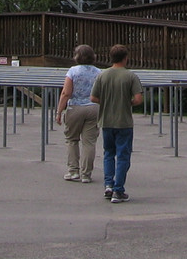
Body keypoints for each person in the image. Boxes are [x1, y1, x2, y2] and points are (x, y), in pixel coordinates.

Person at [89, 44, 143, 203]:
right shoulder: (130, 76)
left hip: (106, 120)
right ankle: (118, 190)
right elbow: (138, 99)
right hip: (124, 121)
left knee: (108, 153)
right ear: (125, 58)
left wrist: (106, 101)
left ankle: (108, 185)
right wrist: (128, 103)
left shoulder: (102, 75)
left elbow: (93, 98)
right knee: (123, 156)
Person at [55, 44, 101, 183]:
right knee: (89, 142)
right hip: (94, 107)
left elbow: (66, 93)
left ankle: (73, 170)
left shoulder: (73, 71)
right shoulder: (99, 72)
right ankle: (86, 174)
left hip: (75, 107)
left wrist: (59, 111)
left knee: (72, 139)